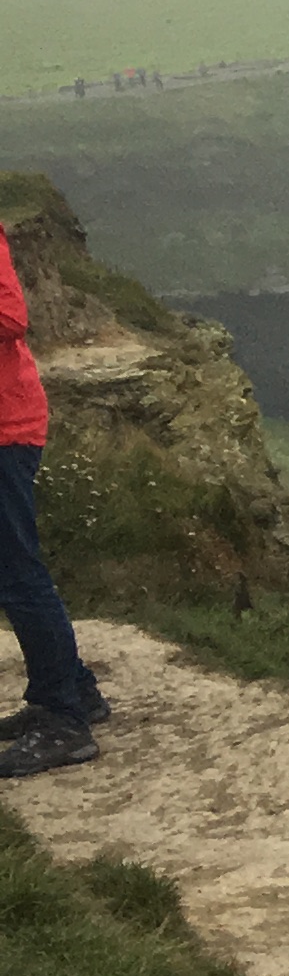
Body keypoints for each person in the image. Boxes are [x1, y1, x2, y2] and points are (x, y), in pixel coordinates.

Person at [0, 219, 114, 781]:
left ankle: (64, 721)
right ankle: (75, 690)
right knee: (14, 569)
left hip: (5, 429)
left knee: (17, 573)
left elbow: (9, 317)